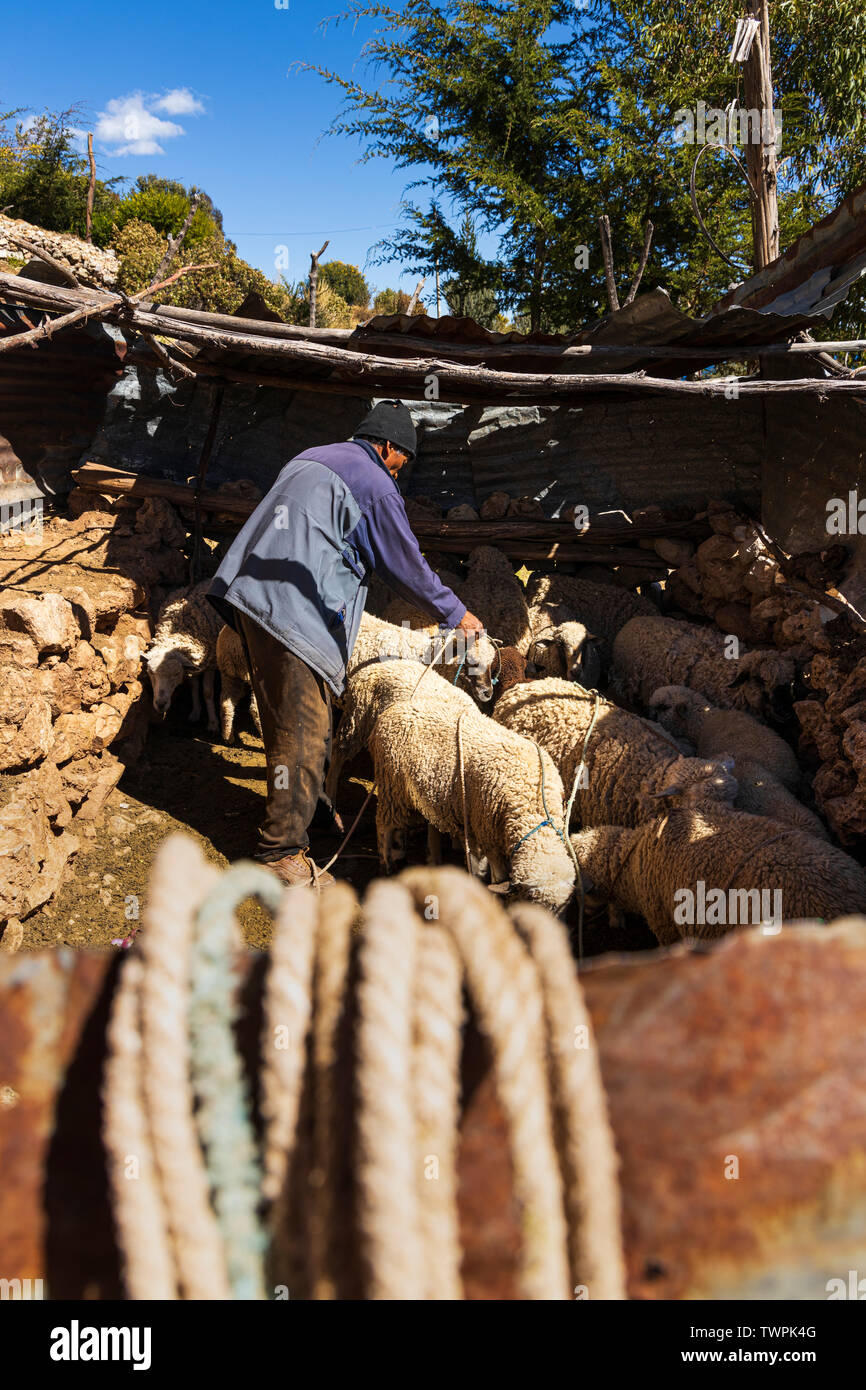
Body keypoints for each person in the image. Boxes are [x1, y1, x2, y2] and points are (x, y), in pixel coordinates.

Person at [207, 399, 484, 887]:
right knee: (304, 732)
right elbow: (406, 563)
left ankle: (307, 810)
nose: (401, 473)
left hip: (251, 597)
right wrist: (455, 613)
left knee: (283, 719)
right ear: (387, 447)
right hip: (291, 612)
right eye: (403, 461)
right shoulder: (374, 482)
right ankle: (280, 852)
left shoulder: (311, 456)